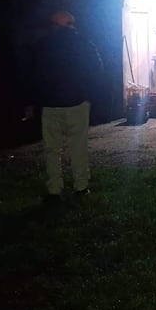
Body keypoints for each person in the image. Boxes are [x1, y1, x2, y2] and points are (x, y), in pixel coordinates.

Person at [26, 10, 104, 202]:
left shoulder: (41, 46)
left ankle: (54, 189)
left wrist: (33, 101)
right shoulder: (84, 45)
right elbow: (97, 71)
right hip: (77, 103)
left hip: (50, 105)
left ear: (53, 25)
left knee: (52, 149)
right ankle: (81, 186)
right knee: (78, 146)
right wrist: (89, 97)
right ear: (72, 25)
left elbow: (31, 76)